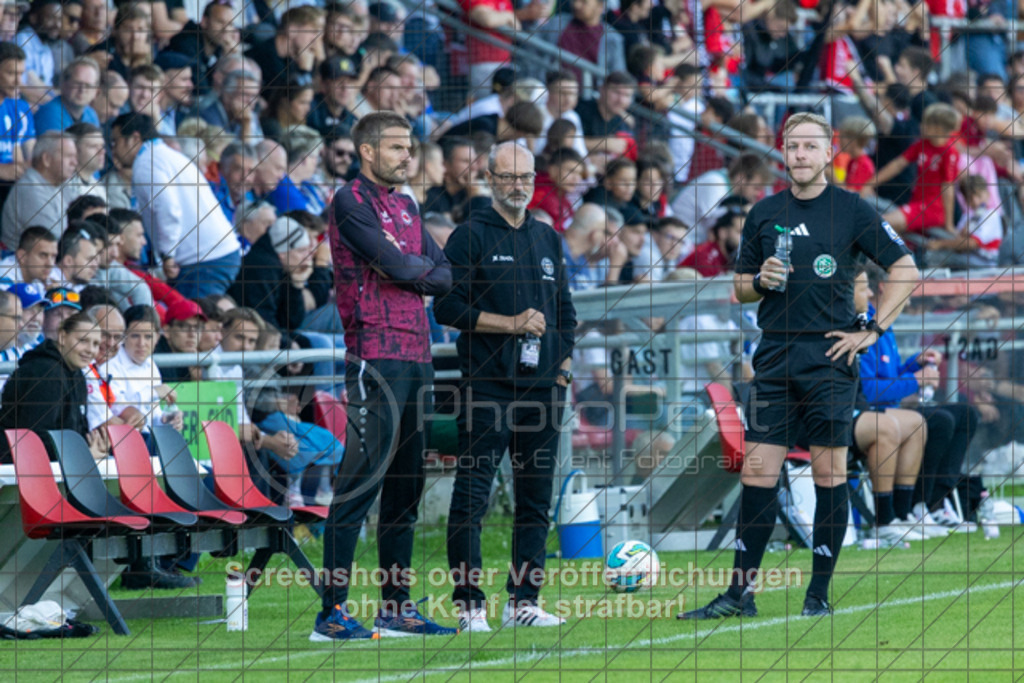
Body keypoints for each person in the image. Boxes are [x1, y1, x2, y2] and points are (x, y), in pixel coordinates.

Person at [678, 113, 919, 621]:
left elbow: (905, 269)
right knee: (758, 473)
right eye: (793, 146)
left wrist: (872, 330)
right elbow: (739, 287)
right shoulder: (764, 212)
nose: (801, 155)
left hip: (828, 357)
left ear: (829, 152)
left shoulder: (851, 210)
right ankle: (738, 595)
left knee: (829, 472)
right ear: (782, 153)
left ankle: (818, 595)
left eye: (811, 146)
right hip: (774, 356)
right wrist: (759, 281)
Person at [314, 111, 453, 642]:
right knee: (358, 486)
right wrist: (412, 268)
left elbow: (444, 273)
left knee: (405, 491)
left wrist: (412, 268)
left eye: (409, 147)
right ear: (368, 151)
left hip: (419, 355)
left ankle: (396, 607)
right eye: (396, 147)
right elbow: (398, 268)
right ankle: (331, 613)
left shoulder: (407, 205)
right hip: (374, 353)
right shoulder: (350, 201)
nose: (407, 156)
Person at [435, 141, 577, 631]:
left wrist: (562, 371)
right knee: (471, 498)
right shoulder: (468, 236)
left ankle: (523, 602)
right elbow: (447, 308)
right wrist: (510, 324)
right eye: (509, 176)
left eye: (526, 176)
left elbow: (566, 314)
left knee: (535, 502)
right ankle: (469, 605)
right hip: (487, 388)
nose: (518, 185)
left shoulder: (548, 237)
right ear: (491, 179)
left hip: (543, 392)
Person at [115, 113, 240, 298]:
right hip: (214, 254)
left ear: (134, 138)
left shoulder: (147, 161)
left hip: (204, 259)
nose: (113, 149)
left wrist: (168, 254)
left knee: (194, 316)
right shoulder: (165, 155)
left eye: (116, 141)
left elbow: (167, 209)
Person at [0, 311, 109, 463]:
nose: (90, 349)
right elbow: (34, 438)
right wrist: (82, 455)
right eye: (83, 340)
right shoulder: (46, 373)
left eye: (96, 344)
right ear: (62, 337)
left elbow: (76, 432)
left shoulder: (76, 374)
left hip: (53, 465)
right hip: (16, 467)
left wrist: (94, 446)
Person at [1, 131, 77, 247]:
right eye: (68, 156)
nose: (74, 163)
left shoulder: (60, 183)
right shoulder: (30, 190)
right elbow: (56, 241)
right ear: (46, 159)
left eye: (75, 157)